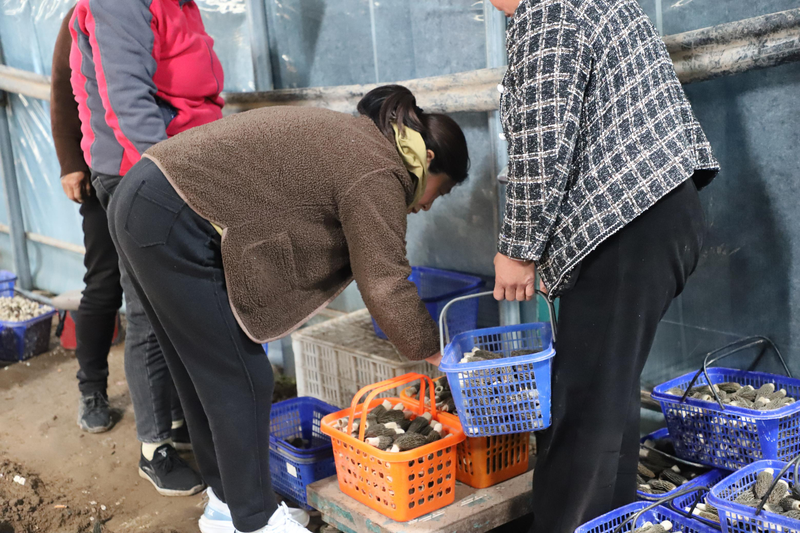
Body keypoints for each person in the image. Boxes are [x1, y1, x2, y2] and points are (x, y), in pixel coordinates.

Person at [104, 85, 468, 533]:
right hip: (170, 210)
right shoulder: (379, 168)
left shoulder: (364, 142)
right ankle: (255, 521)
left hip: (147, 196)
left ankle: (226, 506)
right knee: (242, 376)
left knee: (202, 373)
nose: (428, 204)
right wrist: (439, 354)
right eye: (441, 191)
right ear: (428, 160)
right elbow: (384, 281)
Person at [488, 0, 719, 531]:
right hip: (659, 215)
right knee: (605, 398)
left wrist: (518, 249)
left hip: (631, 227)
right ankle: (607, 521)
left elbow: (543, 148)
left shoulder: (547, 11)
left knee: (585, 405)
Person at [65, 0, 225, 496]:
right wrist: (169, 185)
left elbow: (194, 86)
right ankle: (154, 446)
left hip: (184, 161)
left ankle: (178, 420)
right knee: (148, 308)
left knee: (184, 304)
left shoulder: (179, 5)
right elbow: (128, 104)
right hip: (144, 171)